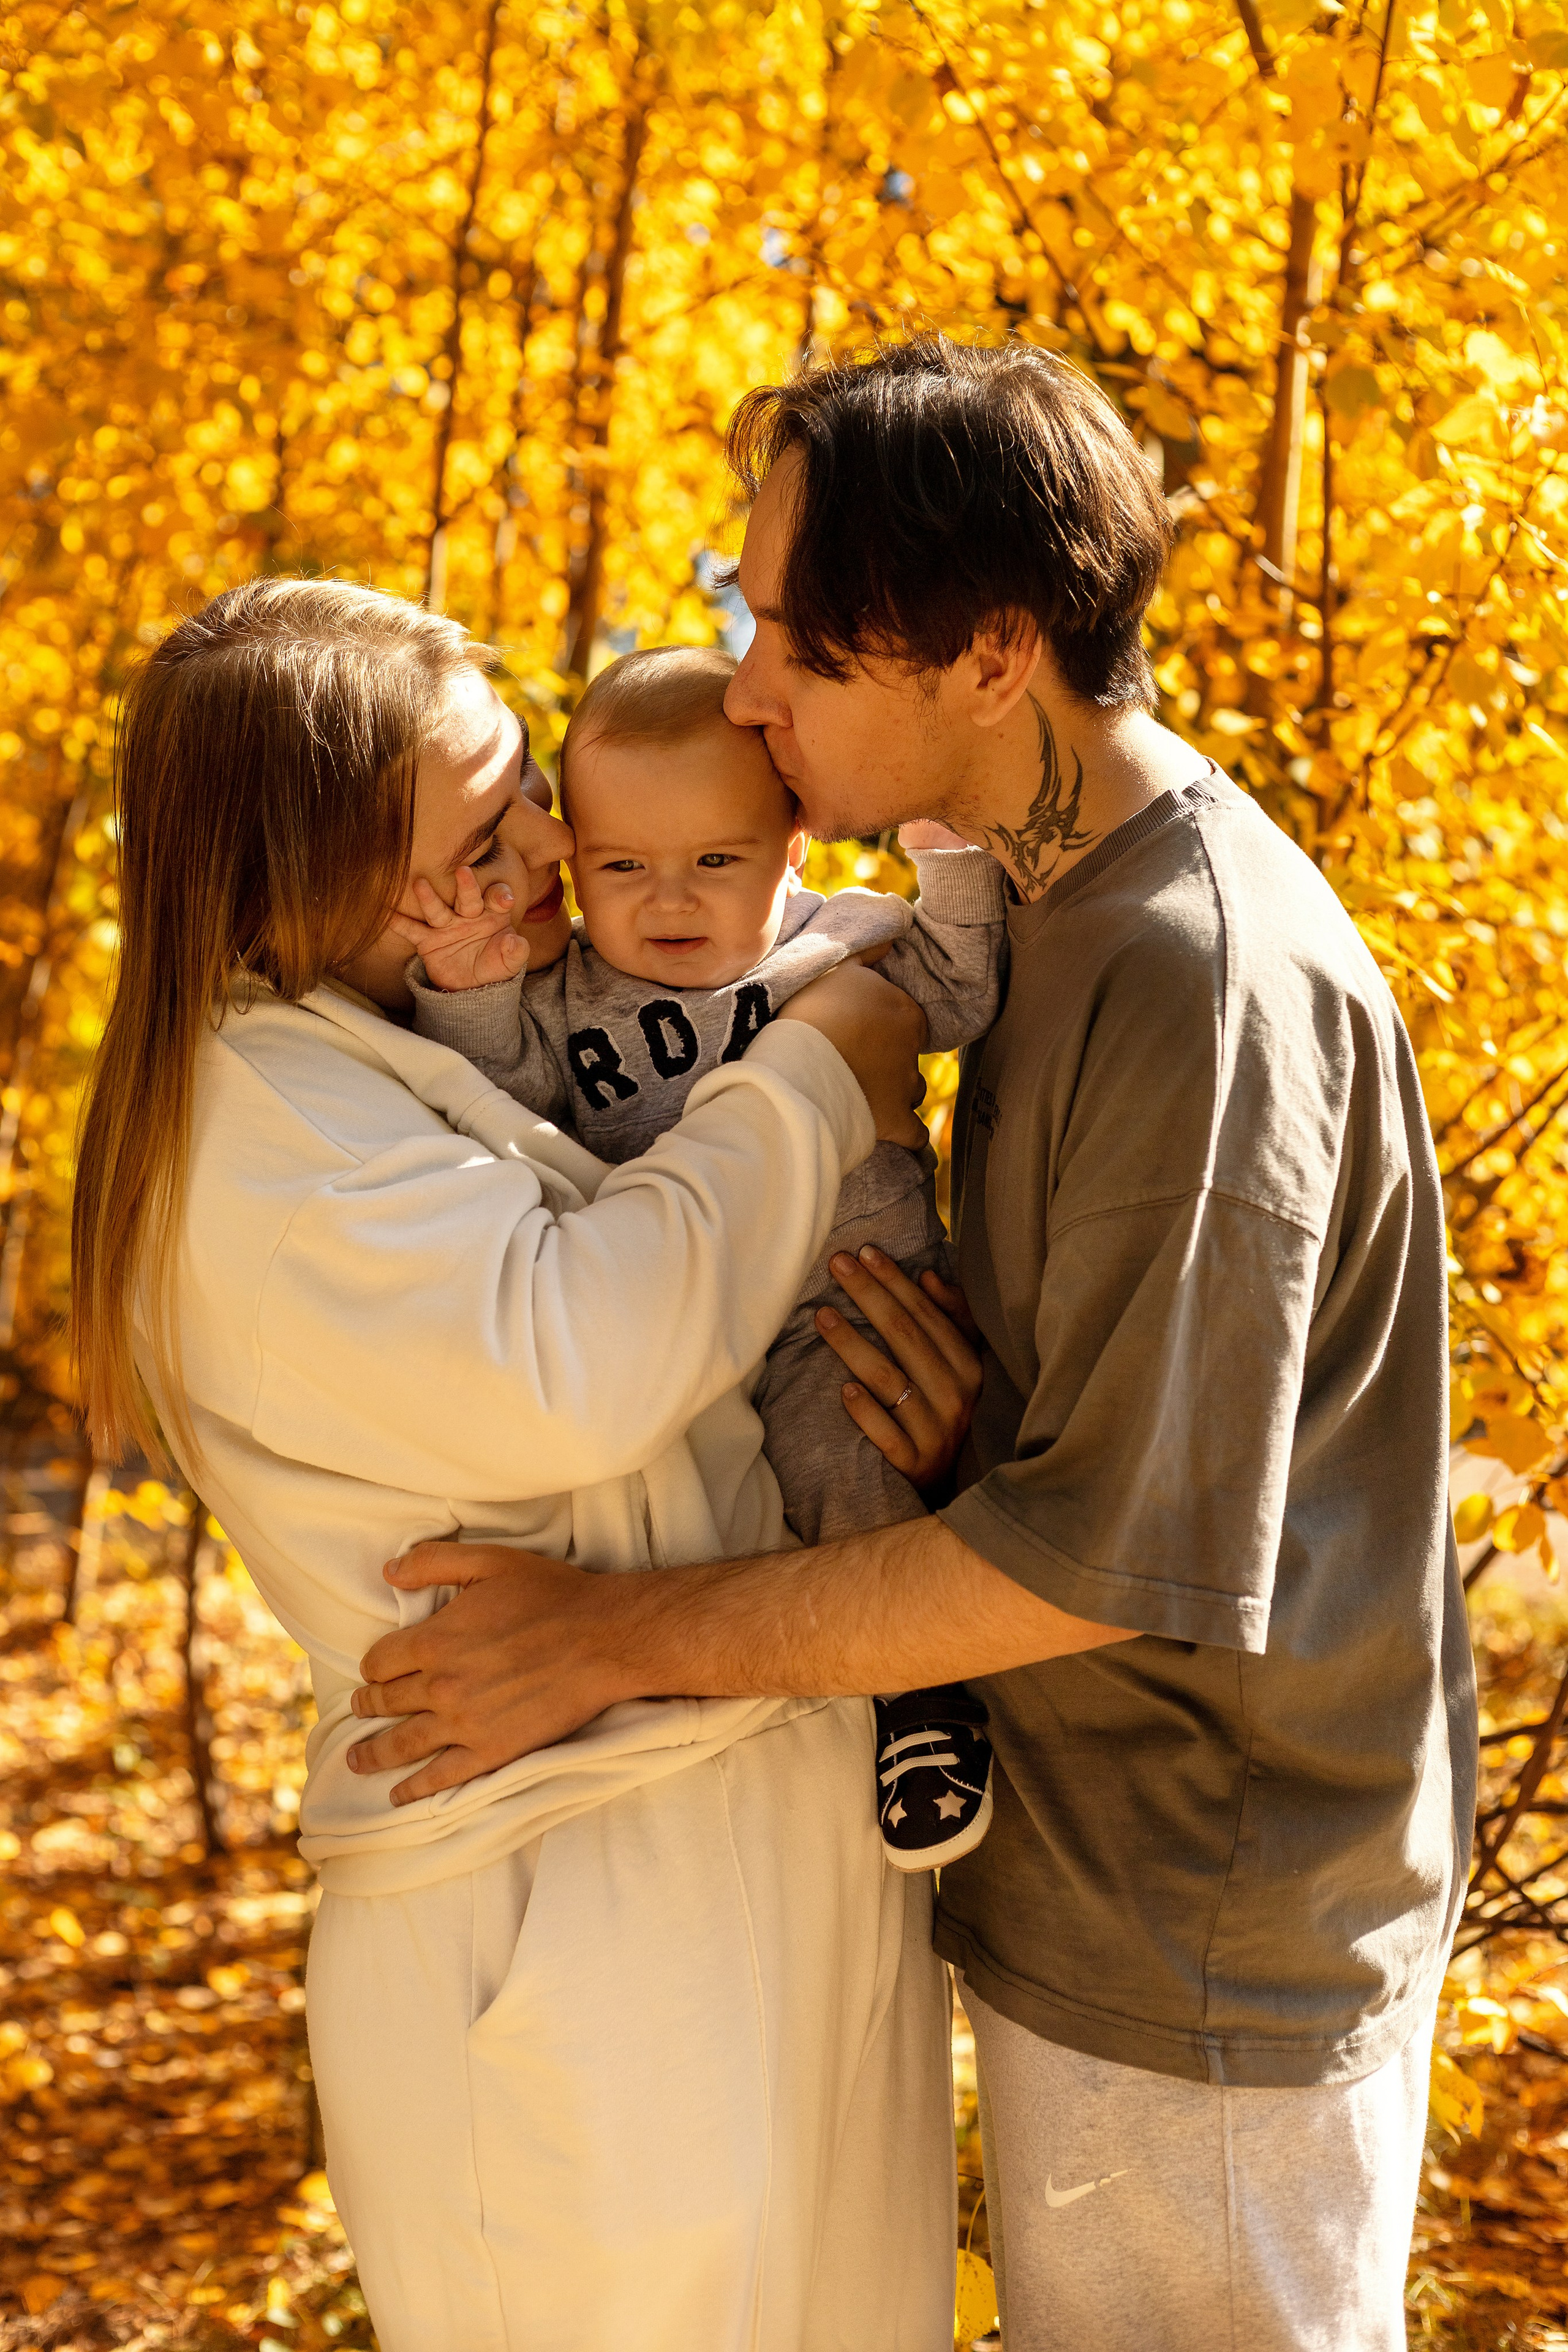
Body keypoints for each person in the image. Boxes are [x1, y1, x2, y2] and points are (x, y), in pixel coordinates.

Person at [349, 336, 1479, 2352]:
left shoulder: (1193, 981)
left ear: (988, 651)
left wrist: (602, 1640)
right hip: (1108, 1905)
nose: (750, 686)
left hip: (1205, 1960)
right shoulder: (1044, 916)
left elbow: (1094, 1565)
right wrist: (979, 1447)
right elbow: (1135, 1469)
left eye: (799, 633)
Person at [68, 576, 978, 2352]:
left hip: (781, 1840)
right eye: (490, 825)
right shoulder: (255, 1129)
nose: (556, 845)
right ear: (316, 883)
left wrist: (895, 1421)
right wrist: (819, 1070)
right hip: (565, 1913)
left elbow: (700, 1373)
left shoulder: (447, 1044)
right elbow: (582, 1365)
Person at [398, 639, 1004, 1867]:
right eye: (624, 866)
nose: (667, 901)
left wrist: (947, 853)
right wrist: (466, 988)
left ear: (792, 848)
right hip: (690, 1321)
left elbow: (957, 990)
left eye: (713, 863)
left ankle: (923, 1709)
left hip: (848, 1308)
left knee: (848, 1463)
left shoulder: (832, 943)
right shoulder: (564, 998)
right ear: (577, 853)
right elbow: (505, 1098)